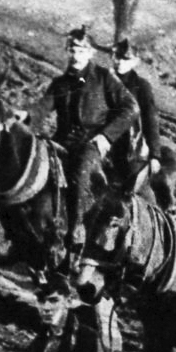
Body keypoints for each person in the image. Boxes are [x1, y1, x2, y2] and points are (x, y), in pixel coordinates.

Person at [24, 25, 141, 256]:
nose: (76, 55)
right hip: (62, 141)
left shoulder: (104, 78)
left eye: (81, 51)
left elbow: (131, 108)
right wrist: (25, 116)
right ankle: (28, 233)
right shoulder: (60, 83)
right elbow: (42, 107)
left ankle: (76, 231)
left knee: (80, 172)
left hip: (92, 144)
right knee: (36, 169)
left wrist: (106, 135)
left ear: (90, 54)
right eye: (72, 50)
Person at [111, 41, 162, 186]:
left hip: (131, 149)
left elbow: (150, 120)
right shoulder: (103, 82)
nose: (120, 62)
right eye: (117, 57)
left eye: (126, 59)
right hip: (106, 144)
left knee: (135, 192)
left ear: (135, 62)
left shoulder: (141, 86)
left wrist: (155, 154)